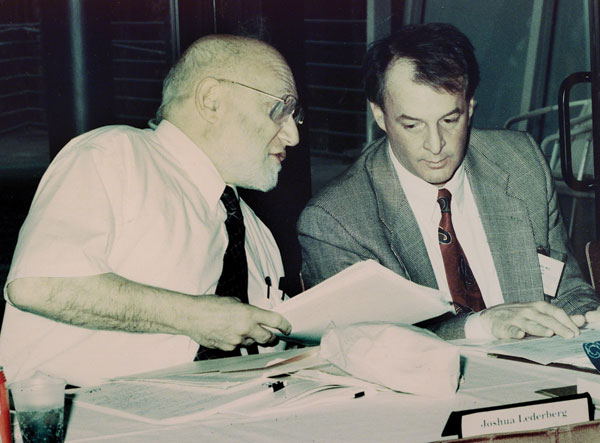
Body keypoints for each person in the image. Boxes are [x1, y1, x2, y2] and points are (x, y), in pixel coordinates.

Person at [0, 34, 303, 386]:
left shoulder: (257, 235)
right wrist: (197, 317)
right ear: (211, 101)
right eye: (279, 110)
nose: (292, 136)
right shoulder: (114, 155)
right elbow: (37, 285)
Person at [297, 23, 600, 341]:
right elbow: (376, 342)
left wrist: (589, 319)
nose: (435, 144)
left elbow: (564, 289)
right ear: (380, 115)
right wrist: (481, 325)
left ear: (469, 107)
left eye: (449, 120)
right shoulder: (335, 222)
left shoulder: (522, 164)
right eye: (412, 125)